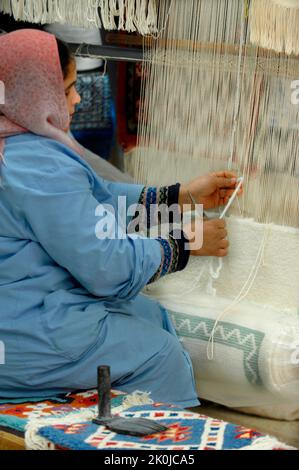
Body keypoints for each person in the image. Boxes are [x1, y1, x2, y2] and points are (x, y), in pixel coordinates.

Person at [0, 29, 240, 407]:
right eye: (67, 90)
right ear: (31, 94)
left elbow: (91, 207)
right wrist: (186, 244)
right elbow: (105, 265)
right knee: (160, 356)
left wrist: (179, 197)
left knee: (149, 314)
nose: (77, 99)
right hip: (23, 338)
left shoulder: (15, 144)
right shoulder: (38, 165)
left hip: (19, 313)